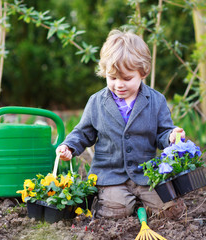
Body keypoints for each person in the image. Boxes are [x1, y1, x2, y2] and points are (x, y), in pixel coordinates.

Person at [56, 29, 186, 219]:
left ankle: (142, 202)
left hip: (145, 174)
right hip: (110, 175)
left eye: (127, 78)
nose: (119, 85)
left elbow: (163, 132)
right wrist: (69, 146)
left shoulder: (156, 101)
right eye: (112, 78)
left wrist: (171, 136)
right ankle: (125, 204)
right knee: (117, 211)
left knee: (170, 211)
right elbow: (83, 133)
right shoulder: (97, 102)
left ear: (143, 73)